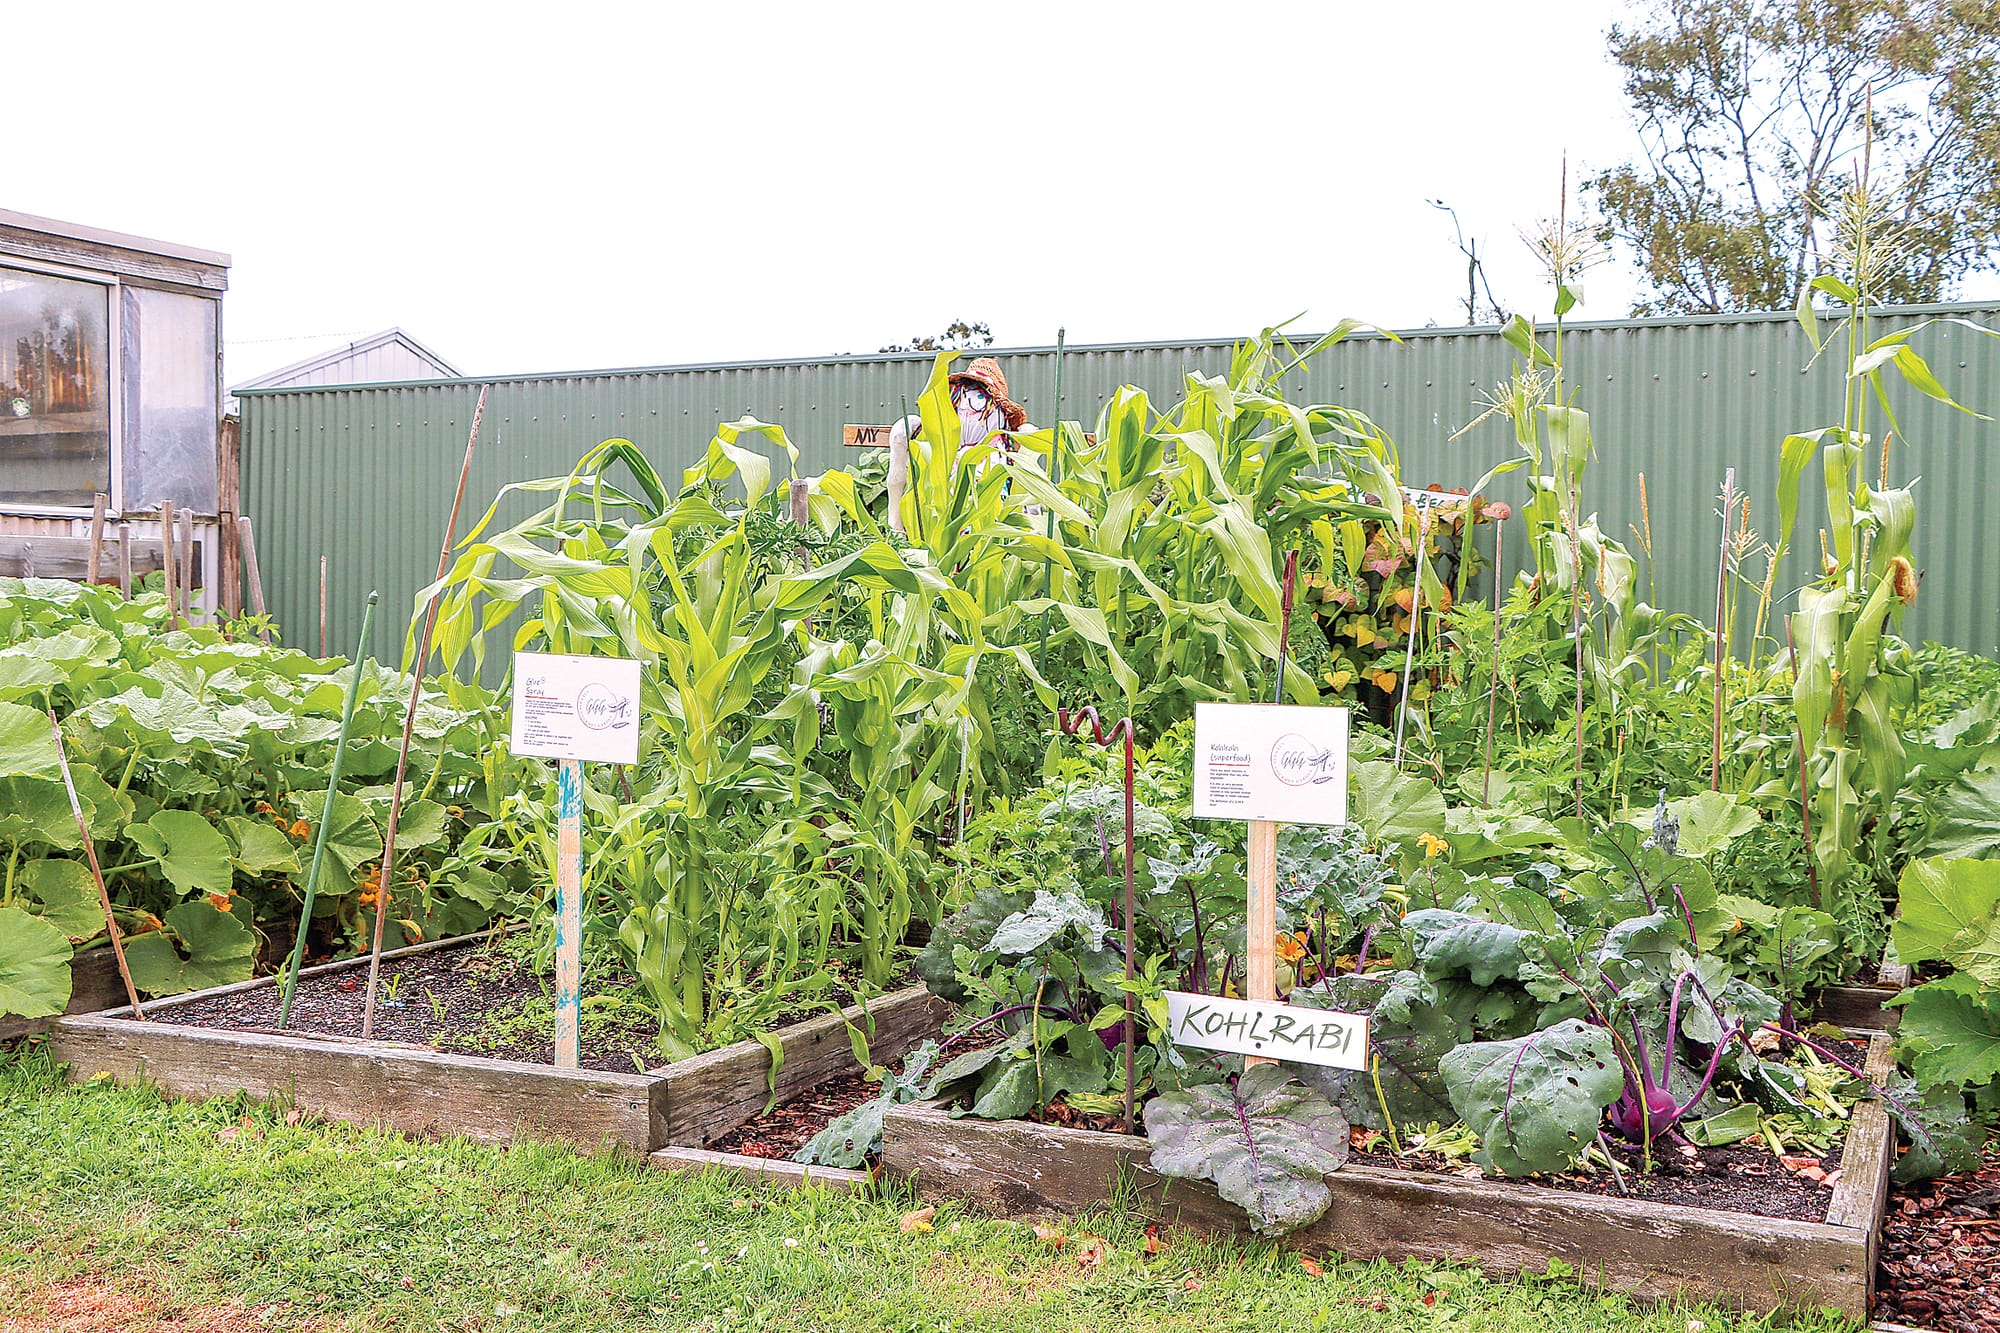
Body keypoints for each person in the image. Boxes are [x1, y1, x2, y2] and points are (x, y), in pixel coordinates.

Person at [884, 357, 1030, 535]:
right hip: (943, 525)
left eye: (980, 397)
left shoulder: (1001, 449)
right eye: (963, 396)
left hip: (989, 529)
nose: (967, 407)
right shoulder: (943, 448)